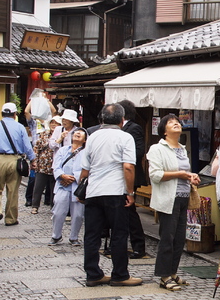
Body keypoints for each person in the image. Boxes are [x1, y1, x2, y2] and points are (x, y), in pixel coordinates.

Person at [79, 103, 142, 287]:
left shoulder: (92, 136)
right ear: (122, 120)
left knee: (91, 234)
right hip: (115, 191)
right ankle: (120, 274)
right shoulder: (125, 137)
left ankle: (93, 273)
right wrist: (130, 193)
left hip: (94, 191)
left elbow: (85, 169)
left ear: (102, 119)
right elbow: (128, 167)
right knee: (119, 234)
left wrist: (82, 188)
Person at [147, 113, 200, 290]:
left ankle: (173, 273)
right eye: (171, 123)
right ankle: (164, 276)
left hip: (184, 197)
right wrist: (180, 174)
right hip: (168, 199)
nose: (176, 124)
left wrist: (191, 177)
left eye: (177, 122)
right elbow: (155, 175)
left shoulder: (182, 149)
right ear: (164, 131)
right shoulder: (157, 149)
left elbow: (184, 172)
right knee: (167, 238)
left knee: (179, 239)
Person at [0, 102, 35, 228]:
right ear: (14, 114)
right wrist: (33, 160)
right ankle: (11, 219)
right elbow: (27, 146)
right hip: (15, 160)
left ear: (2, 113)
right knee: (13, 191)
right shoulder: (20, 127)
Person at [118, 100, 148, 258]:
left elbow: (139, 151)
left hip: (131, 175)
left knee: (130, 212)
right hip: (118, 175)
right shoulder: (118, 128)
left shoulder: (134, 128)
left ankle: (139, 246)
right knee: (122, 211)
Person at [50, 128, 87, 246]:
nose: (77, 133)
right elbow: (56, 166)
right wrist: (62, 176)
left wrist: (72, 177)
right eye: (76, 132)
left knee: (78, 215)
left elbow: (87, 169)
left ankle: (74, 237)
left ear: (85, 139)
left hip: (77, 186)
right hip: (62, 184)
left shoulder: (86, 153)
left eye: (81, 133)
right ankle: (56, 236)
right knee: (58, 212)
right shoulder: (62, 150)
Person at [31, 117, 60, 214]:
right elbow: (37, 148)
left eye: (56, 123)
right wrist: (34, 161)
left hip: (55, 165)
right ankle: (35, 206)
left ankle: (53, 207)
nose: (53, 125)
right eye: (52, 123)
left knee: (54, 189)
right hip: (43, 165)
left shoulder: (62, 135)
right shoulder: (44, 134)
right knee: (38, 187)